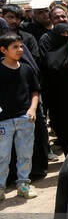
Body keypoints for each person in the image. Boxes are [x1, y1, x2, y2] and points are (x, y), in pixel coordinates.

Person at [0, 33, 39, 200]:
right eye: (15, 47)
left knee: (25, 153)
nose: (20, 50)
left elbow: (34, 91)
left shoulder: (26, 69)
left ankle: (23, 183)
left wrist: (33, 109)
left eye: (21, 46)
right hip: (3, 121)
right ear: (3, 50)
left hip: (25, 119)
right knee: (2, 155)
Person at [39, 22, 68, 154]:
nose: (65, 36)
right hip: (58, 103)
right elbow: (46, 78)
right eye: (62, 34)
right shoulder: (49, 53)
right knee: (64, 133)